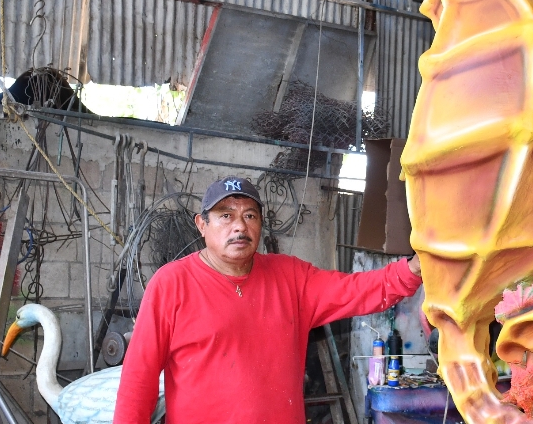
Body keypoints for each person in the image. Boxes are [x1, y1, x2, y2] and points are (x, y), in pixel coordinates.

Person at [113, 176, 423, 424]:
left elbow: (356, 290)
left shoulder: (289, 276)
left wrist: (412, 269)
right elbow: (138, 381)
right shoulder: (171, 284)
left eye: (250, 215)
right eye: (225, 216)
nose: (239, 226)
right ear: (202, 225)